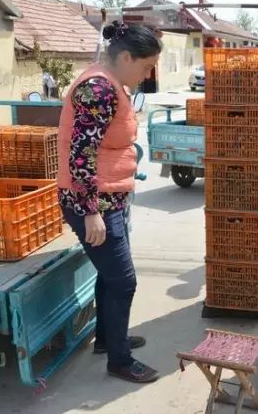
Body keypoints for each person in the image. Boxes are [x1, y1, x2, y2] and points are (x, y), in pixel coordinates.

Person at [57, 21, 162, 384]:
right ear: (127, 56)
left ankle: (107, 339)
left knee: (111, 275)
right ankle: (120, 360)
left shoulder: (110, 83)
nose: (148, 74)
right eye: (146, 66)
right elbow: (81, 153)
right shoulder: (99, 88)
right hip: (94, 202)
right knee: (123, 282)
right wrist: (90, 212)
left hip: (109, 197)